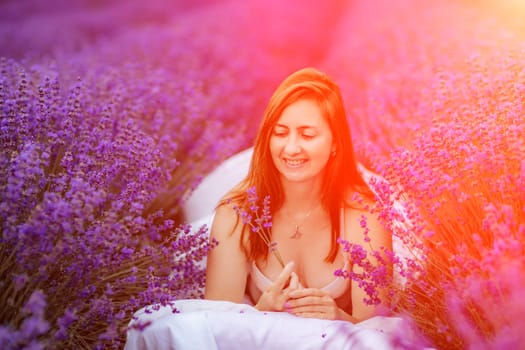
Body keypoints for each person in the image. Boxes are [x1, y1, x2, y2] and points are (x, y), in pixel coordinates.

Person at [125, 68, 406, 350]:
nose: (291, 148)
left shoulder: (363, 216)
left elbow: (375, 326)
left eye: (307, 135)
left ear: (335, 144)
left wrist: (338, 316)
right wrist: (260, 310)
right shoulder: (236, 214)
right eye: (280, 133)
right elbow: (216, 326)